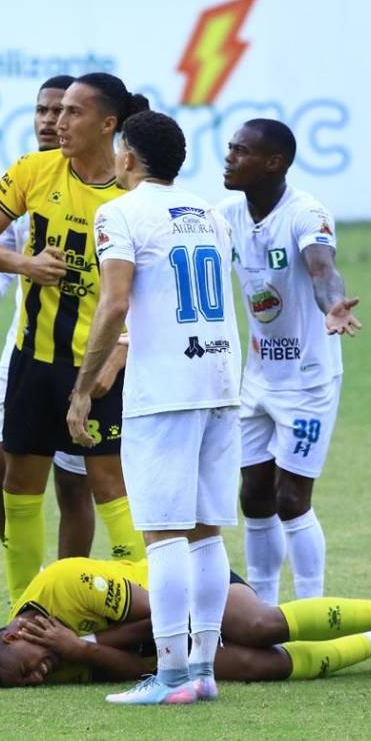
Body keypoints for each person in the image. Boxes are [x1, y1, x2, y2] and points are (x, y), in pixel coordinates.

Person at [66, 110, 241, 705]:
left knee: (163, 534)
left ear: (129, 158)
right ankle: (205, 671)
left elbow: (115, 303)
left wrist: (84, 386)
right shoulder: (210, 214)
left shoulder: (119, 213)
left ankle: (169, 678)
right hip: (220, 383)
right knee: (207, 532)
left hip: (165, 392)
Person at [0, 73, 149, 608]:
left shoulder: (133, 192)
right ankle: (23, 610)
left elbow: (149, 290)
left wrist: (120, 352)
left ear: (108, 124)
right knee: (18, 487)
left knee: (108, 487)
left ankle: (144, 605)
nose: (58, 122)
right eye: (55, 111)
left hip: (98, 369)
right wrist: (24, 263)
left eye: (73, 112)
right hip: (33, 361)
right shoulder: (33, 170)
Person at [0, 75, 95, 559]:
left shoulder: (106, 187)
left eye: (62, 111)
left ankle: (69, 591)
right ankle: (28, 578)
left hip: (84, 352)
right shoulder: (29, 178)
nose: (50, 120)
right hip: (26, 347)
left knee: (73, 484)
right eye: (43, 110)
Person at [217, 119, 362, 604]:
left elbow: (323, 269)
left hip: (307, 381)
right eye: (230, 148)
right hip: (256, 379)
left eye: (241, 151)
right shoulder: (226, 216)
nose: (229, 158)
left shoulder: (307, 214)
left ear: (274, 163)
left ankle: (310, 609)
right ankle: (264, 611)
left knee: (291, 499)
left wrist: (334, 305)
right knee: (253, 496)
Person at [0, 556, 371, 688]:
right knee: (262, 666)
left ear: (14, 635)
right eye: (27, 685)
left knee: (258, 627)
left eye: (26, 670)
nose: (39, 677)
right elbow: (139, 671)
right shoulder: (56, 658)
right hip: (165, 648)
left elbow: (168, 613)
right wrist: (83, 652)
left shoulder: (64, 585)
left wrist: (90, 643)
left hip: (188, 588)